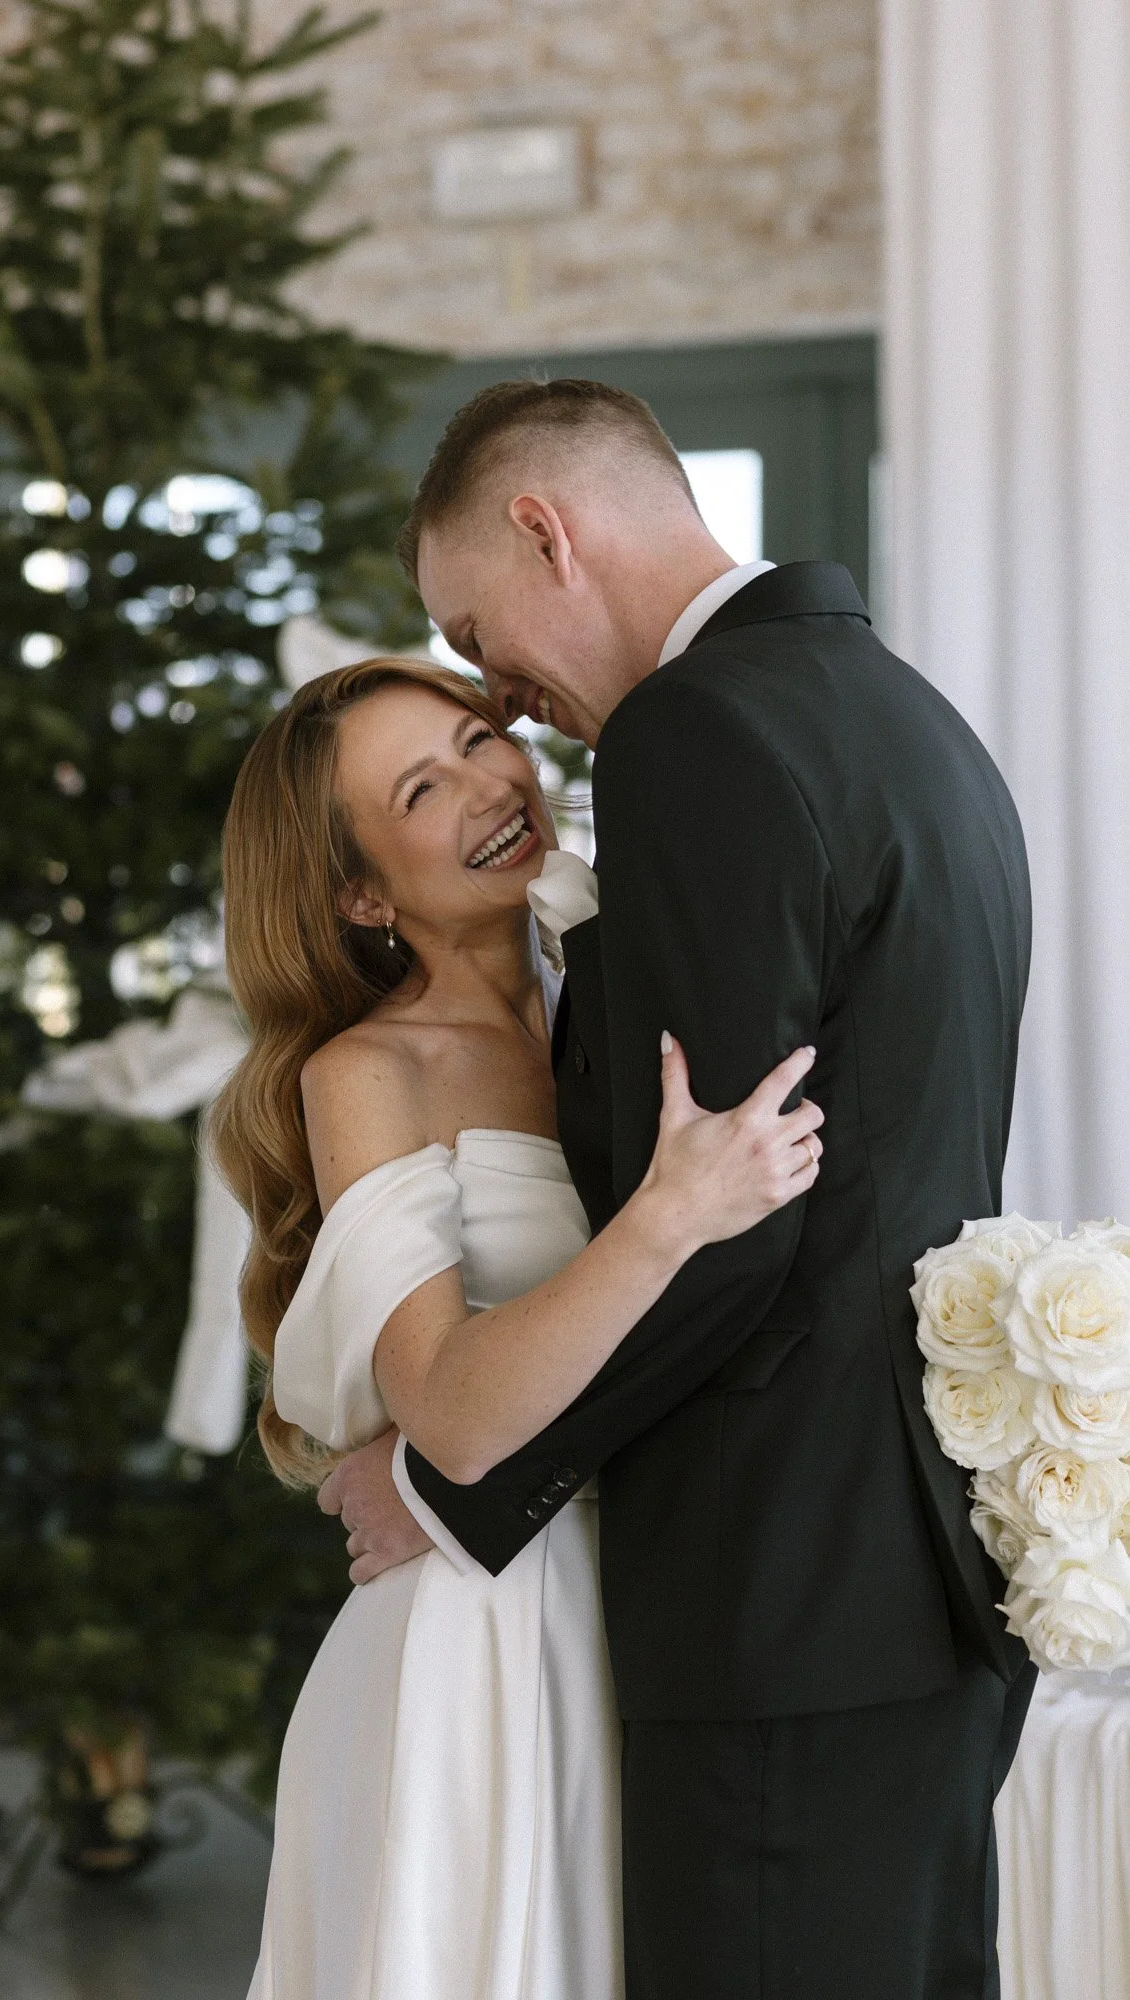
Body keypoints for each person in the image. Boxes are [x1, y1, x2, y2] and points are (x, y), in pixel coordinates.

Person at [322, 378, 1038, 2000]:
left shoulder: (693, 731)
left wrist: (452, 1485)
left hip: (778, 1587)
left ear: (543, 531)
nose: (496, 692)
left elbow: (725, 1228)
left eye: (473, 631)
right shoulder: (901, 710)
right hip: (916, 1570)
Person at [210, 656, 823, 2000]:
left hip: (656, 1601)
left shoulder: (621, 977)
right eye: (424, 789)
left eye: (481, 737)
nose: (494, 784)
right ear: (361, 894)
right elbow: (452, 1412)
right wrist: (669, 1216)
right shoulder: (369, 1073)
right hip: (483, 1643)